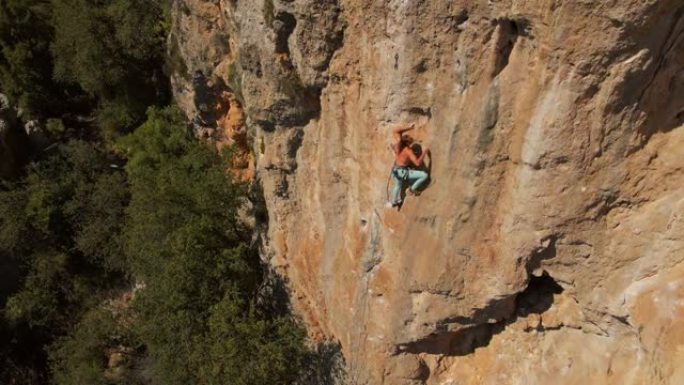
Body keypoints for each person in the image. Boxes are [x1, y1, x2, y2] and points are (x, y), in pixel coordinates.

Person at [388, 123, 430, 207]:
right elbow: (417, 163)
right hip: (402, 172)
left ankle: (393, 202)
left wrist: (409, 127)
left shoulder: (397, 146)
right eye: (411, 141)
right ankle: (412, 189)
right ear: (408, 143)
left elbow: (396, 131)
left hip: (396, 170)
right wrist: (424, 153)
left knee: (397, 185)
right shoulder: (408, 151)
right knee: (424, 176)